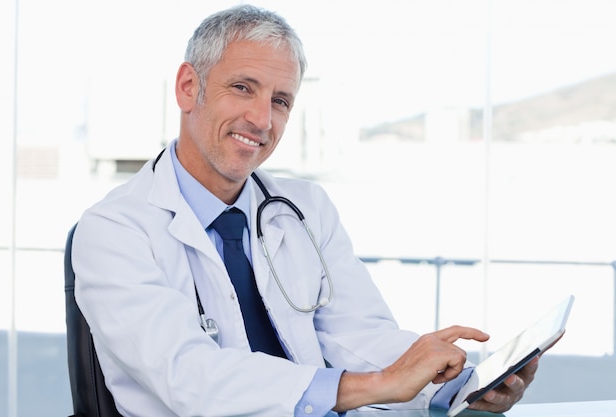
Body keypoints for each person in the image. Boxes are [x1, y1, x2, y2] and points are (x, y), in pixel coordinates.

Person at [72, 5, 540, 416]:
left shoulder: (305, 209)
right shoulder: (113, 230)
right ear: (188, 86)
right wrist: (376, 386)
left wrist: (455, 384)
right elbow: (190, 378)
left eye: (280, 101)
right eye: (242, 88)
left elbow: (356, 336)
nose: (262, 119)